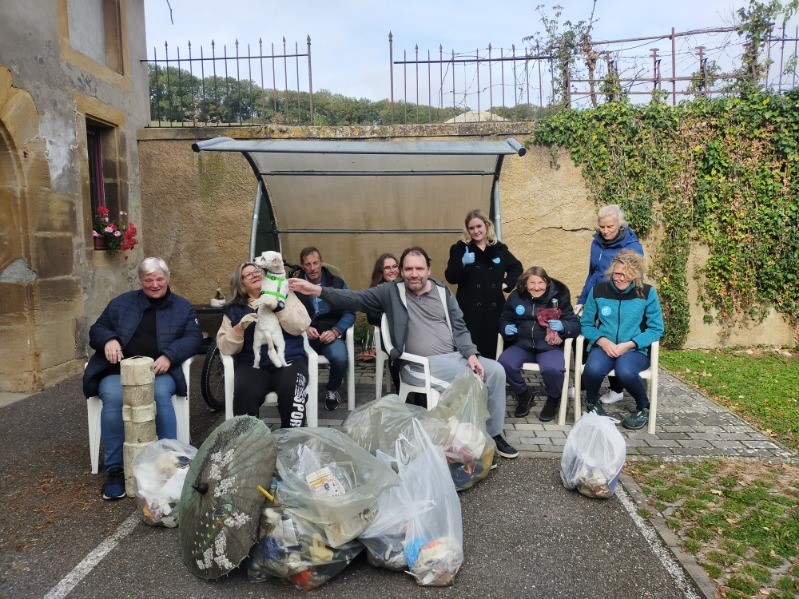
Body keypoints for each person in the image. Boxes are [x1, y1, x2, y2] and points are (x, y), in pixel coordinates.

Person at [288, 246, 519, 459]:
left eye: (419, 268)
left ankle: (494, 435)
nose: (414, 274)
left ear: (428, 269)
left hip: (455, 359)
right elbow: (353, 298)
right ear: (401, 271)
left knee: (496, 370)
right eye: (408, 268)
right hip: (418, 366)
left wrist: (470, 354)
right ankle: (466, 445)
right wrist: (315, 290)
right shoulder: (390, 292)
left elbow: (459, 326)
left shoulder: (442, 291)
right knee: (471, 380)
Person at [83, 257, 202, 500]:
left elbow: (194, 337)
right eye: (149, 280)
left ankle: (168, 462)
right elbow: (97, 329)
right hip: (119, 371)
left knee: (159, 395)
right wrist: (108, 339)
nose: (155, 284)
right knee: (115, 398)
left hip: (159, 371)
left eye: (160, 279)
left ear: (168, 279)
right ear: (141, 281)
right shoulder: (121, 303)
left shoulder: (182, 306)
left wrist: (170, 355)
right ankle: (116, 469)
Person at [216, 261, 311, 426]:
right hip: (253, 365)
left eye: (257, 271)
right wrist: (238, 329)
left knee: (292, 390)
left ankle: (294, 443)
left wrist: (278, 307)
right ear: (241, 285)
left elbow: (301, 325)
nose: (255, 274)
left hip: (289, 360)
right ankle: (248, 443)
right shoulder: (234, 310)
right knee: (244, 392)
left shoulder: (284, 294)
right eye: (248, 274)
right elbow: (224, 346)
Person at [580, 250, 664, 430]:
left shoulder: (647, 293)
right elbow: (586, 324)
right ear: (611, 272)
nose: (620, 279)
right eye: (617, 273)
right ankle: (592, 402)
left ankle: (643, 407)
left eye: (627, 275)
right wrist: (602, 341)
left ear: (635, 275)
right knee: (592, 370)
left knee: (625, 371)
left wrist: (630, 344)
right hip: (605, 346)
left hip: (635, 349)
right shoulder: (598, 291)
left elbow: (656, 328)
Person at [576, 204, 644, 405]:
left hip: (616, 300)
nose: (605, 231)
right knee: (582, 332)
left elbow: (636, 278)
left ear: (619, 225)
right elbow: (592, 273)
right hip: (595, 296)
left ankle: (616, 389)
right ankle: (585, 382)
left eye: (610, 227)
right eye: (602, 227)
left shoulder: (632, 246)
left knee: (615, 335)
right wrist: (582, 299)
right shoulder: (596, 242)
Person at [498, 266, 580, 422]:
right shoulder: (516, 297)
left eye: (541, 283)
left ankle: (553, 399)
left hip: (549, 347)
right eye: (532, 283)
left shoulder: (558, 298)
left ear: (547, 283)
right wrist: (505, 327)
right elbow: (505, 318)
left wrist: (564, 326)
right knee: (504, 363)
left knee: (553, 369)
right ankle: (523, 394)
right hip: (522, 344)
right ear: (525, 284)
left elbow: (575, 325)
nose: (536, 287)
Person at [445, 209, 522, 360]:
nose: (476, 231)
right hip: (470, 310)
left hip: (495, 309)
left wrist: (506, 284)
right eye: (471, 228)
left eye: (479, 226)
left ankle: (493, 380)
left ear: (487, 225)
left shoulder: (498, 248)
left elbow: (517, 267)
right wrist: (462, 263)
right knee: (472, 350)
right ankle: (473, 382)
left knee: (494, 349)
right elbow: (450, 276)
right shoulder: (460, 248)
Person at [294, 247, 355, 411]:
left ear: (321, 262)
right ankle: (298, 392)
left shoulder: (337, 283)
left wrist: (336, 331)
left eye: (315, 263)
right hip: (304, 337)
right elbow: (287, 314)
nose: (312, 268)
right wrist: (304, 327)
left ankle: (332, 389)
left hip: (331, 334)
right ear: (302, 266)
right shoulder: (294, 286)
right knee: (291, 357)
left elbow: (350, 311)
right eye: (308, 264)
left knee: (340, 357)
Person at [368, 253, 401, 392]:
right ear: (381, 272)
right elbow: (371, 317)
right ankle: (402, 388)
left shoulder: (405, 286)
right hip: (388, 336)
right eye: (387, 268)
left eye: (395, 266)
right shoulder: (376, 291)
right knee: (398, 352)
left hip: (406, 333)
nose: (392, 270)